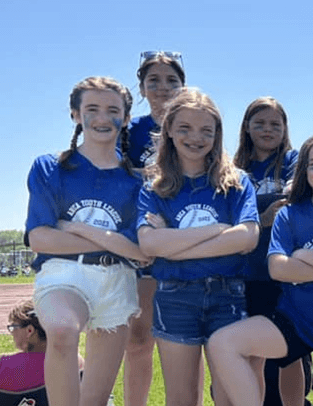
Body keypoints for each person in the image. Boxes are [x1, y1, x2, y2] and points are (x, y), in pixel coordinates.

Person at [207, 133, 313, 406]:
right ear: (304, 171)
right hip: (295, 320)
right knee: (223, 343)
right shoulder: (289, 214)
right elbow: (278, 269)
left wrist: (302, 255)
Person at [25, 76, 149, 406]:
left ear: (124, 118)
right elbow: (40, 237)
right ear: (76, 114)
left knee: (94, 399)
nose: (102, 117)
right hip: (64, 275)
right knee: (63, 331)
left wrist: (78, 229)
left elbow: (142, 251)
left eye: (113, 110)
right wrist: (113, 242)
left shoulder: (138, 181)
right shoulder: (51, 167)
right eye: (91, 108)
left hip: (117, 283)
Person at [136, 87, 259, 406]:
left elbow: (247, 237)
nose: (196, 137)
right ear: (170, 132)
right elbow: (148, 243)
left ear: (217, 134)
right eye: (185, 128)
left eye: (207, 129)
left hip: (227, 295)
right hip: (175, 296)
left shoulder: (235, 182)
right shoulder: (156, 186)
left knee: (228, 395)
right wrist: (219, 230)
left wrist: (172, 244)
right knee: (181, 398)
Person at [232, 96, 310, 406]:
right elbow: (230, 214)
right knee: (250, 354)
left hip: (285, 275)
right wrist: (262, 218)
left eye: (275, 124)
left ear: (285, 129)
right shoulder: (235, 168)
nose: (267, 129)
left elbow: (296, 198)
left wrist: (253, 216)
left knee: (290, 354)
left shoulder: (293, 161)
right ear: (247, 127)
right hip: (246, 274)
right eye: (260, 123)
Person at [122, 49, 187, 406]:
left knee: (186, 339)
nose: (163, 88)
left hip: (188, 244)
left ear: (183, 86)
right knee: (139, 337)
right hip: (142, 247)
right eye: (154, 81)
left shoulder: (195, 125)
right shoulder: (130, 130)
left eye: (171, 81)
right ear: (142, 87)